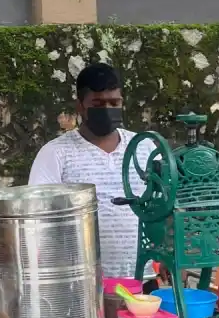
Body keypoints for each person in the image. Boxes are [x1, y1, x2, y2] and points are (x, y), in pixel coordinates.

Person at [29, 63, 150, 280]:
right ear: (80, 106)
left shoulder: (145, 147)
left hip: (145, 278)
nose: (107, 109)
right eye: (98, 103)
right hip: (83, 284)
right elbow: (38, 221)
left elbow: (167, 205)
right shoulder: (55, 154)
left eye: (114, 102)